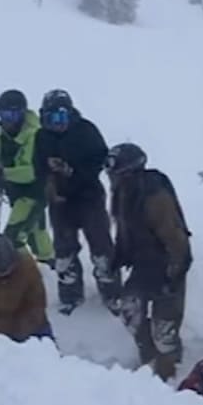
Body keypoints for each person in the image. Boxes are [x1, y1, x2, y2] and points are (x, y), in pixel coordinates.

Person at [106, 142, 191, 381]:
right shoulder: (122, 193)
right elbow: (124, 229)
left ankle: (170, 371)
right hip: (144, 262)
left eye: (115, 173)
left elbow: (176, 239)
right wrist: (119, 255)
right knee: (131, 311)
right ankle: (148, 357)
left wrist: (175, 274)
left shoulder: (154, 198)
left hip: (168, 263)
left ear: (129, 173)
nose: (110, 178)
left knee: (164, 328)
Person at [34, 89, 121, 313]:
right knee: (64, 252)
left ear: (70, 114)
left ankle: (113, 295)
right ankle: (70, 297)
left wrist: (72, 171)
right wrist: (48, 179)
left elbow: (99, 161)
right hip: (60, 201)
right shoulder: (41, 137)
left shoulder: (86, 130)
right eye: (51, 118)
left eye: (61, 117)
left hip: (88, 196)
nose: (57, 123)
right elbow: (37, 167)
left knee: (102, 248)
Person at [0, 89, 54, 264]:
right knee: (37, 234)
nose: (9, 120)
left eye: (14, 114)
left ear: (22, 113)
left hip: (34, 193)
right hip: (16, 192)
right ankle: (52, 267)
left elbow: (33, 171)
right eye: (4, 114)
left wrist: (2, 174)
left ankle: (26, 275)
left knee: (13, 238)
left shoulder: (35, 135)